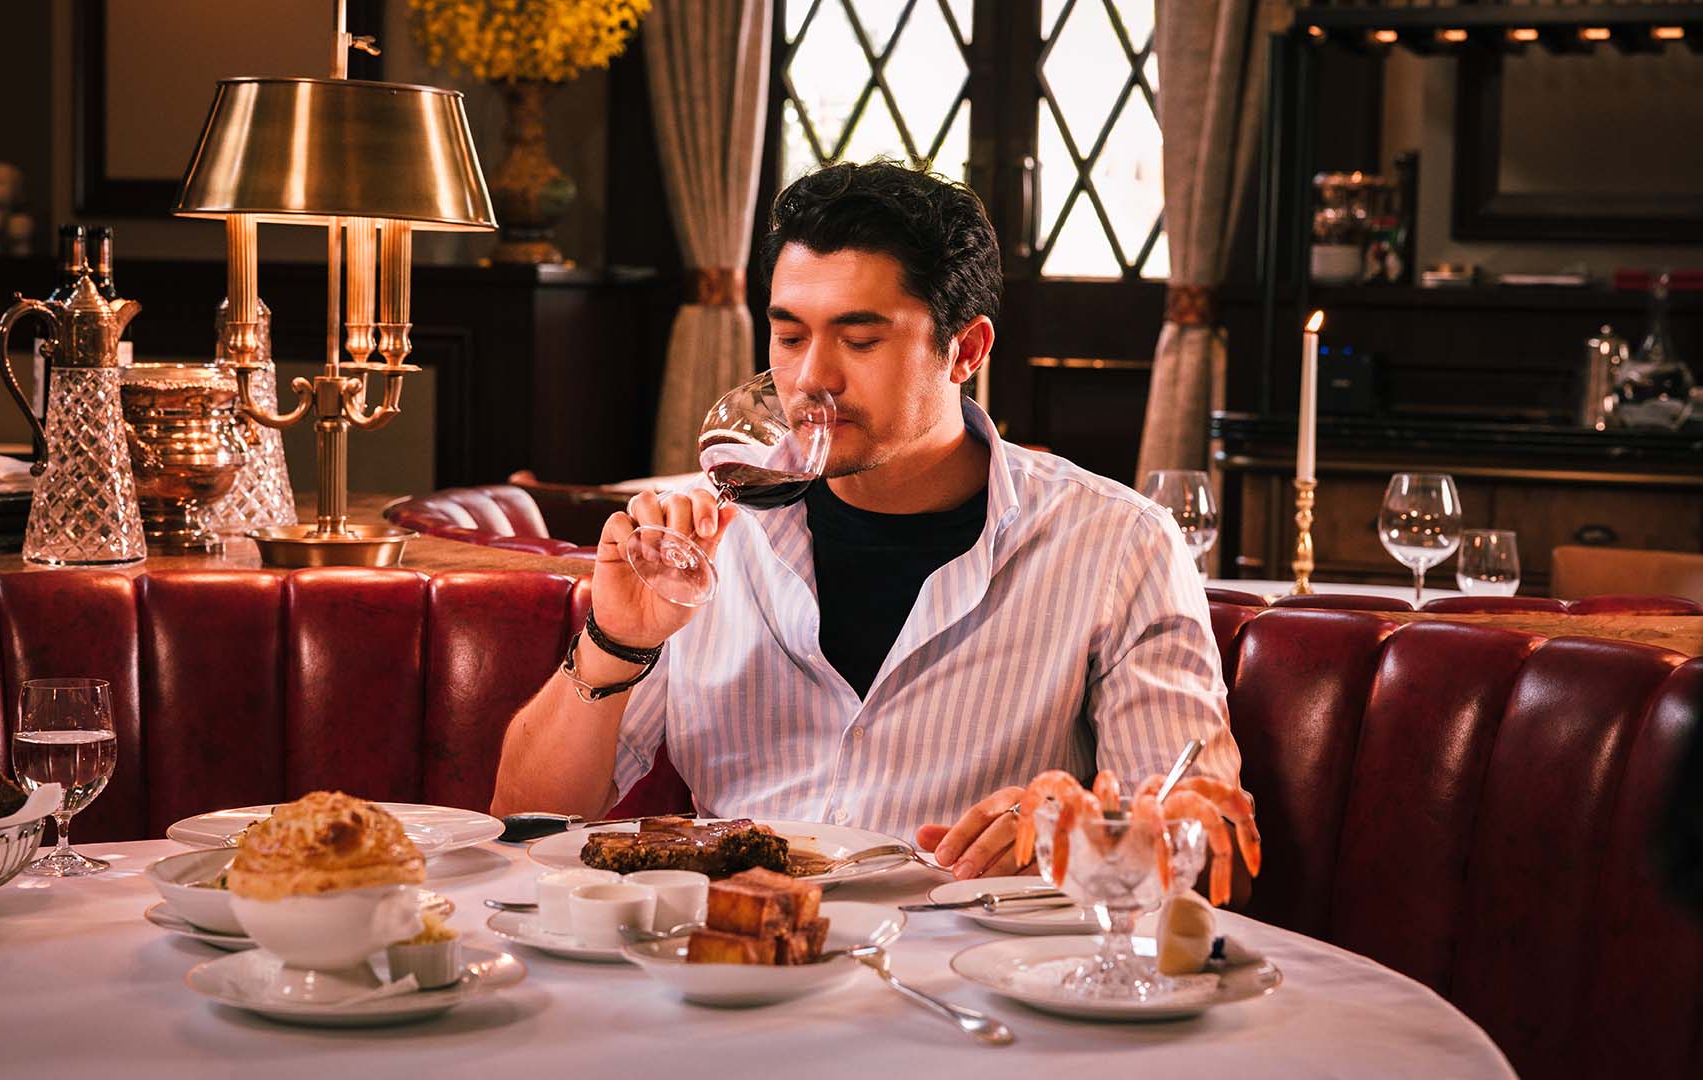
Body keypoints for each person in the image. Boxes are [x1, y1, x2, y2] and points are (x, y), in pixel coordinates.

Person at [493, 160, 1243, 880]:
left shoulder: (1118, 544)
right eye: (789, 337)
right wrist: (614, 641)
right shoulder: (708, 531)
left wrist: (1072, 838)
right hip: (736, 963)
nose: (812, 377)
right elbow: (523, 819)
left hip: (964, 979)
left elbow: (1207, 846)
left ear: (965, 350)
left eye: (859, 340)